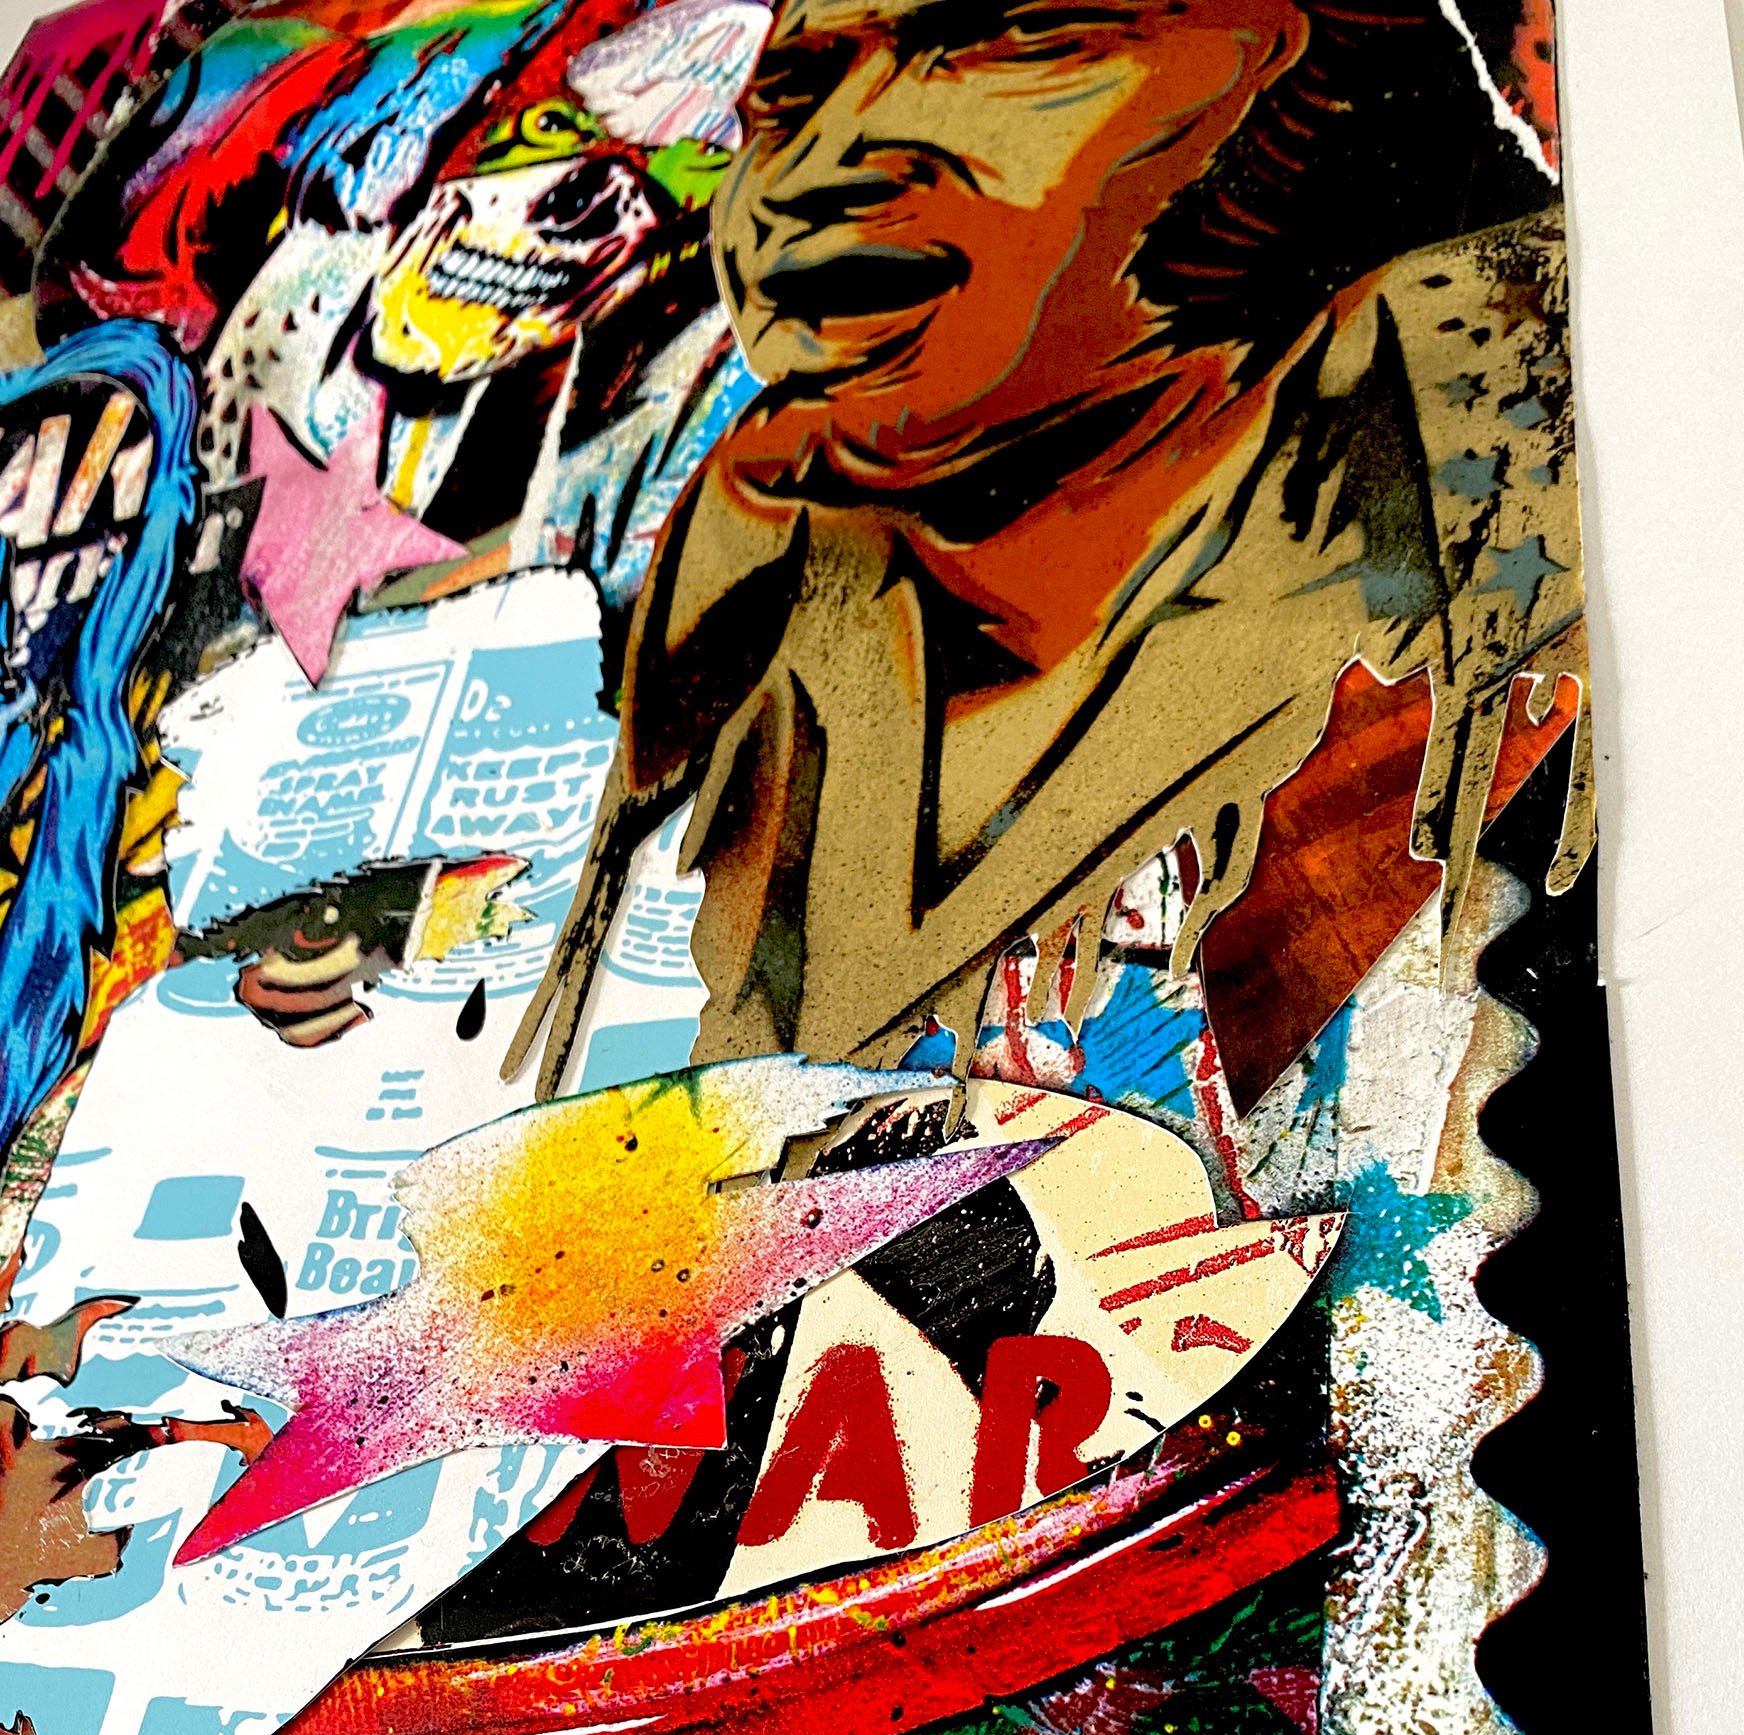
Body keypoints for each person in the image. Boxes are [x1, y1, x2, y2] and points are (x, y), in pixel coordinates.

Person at [509, 0, 1589, 1113]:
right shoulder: (765, 551)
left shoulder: (1543, 422)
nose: (816, 170)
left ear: (1280, 58)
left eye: (1003, 44)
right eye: (790, 96)